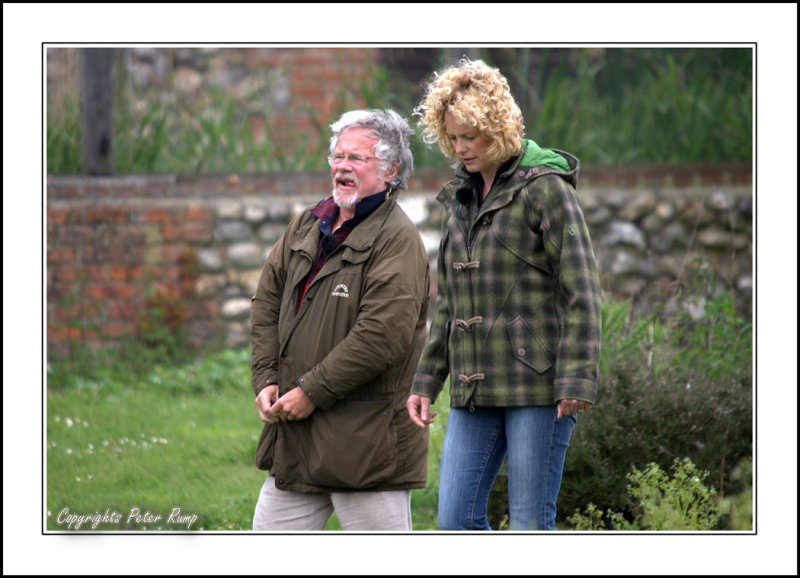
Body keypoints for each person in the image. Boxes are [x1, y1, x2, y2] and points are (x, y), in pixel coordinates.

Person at [406, 59, 602, 531]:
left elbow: (584, 289)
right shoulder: (460, 197)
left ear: (497, 128)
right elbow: (450, 302)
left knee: (531, 527)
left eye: (469, 137)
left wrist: (577, 379)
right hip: (474, 387)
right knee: (454, 523)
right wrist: (427, 380)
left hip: (539, 384)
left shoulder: (546, 189)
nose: (459, 148)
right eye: (452, 138)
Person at [250, 109, 431, 531]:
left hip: (367, 446)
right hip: (297, 437)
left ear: (390, 171)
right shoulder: (307, 225)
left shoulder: (398, 240)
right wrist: (266, 377)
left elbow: (382, 336)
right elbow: (266, 301)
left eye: (357, 159)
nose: (342, 167)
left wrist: (310, 391)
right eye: (338, 156)